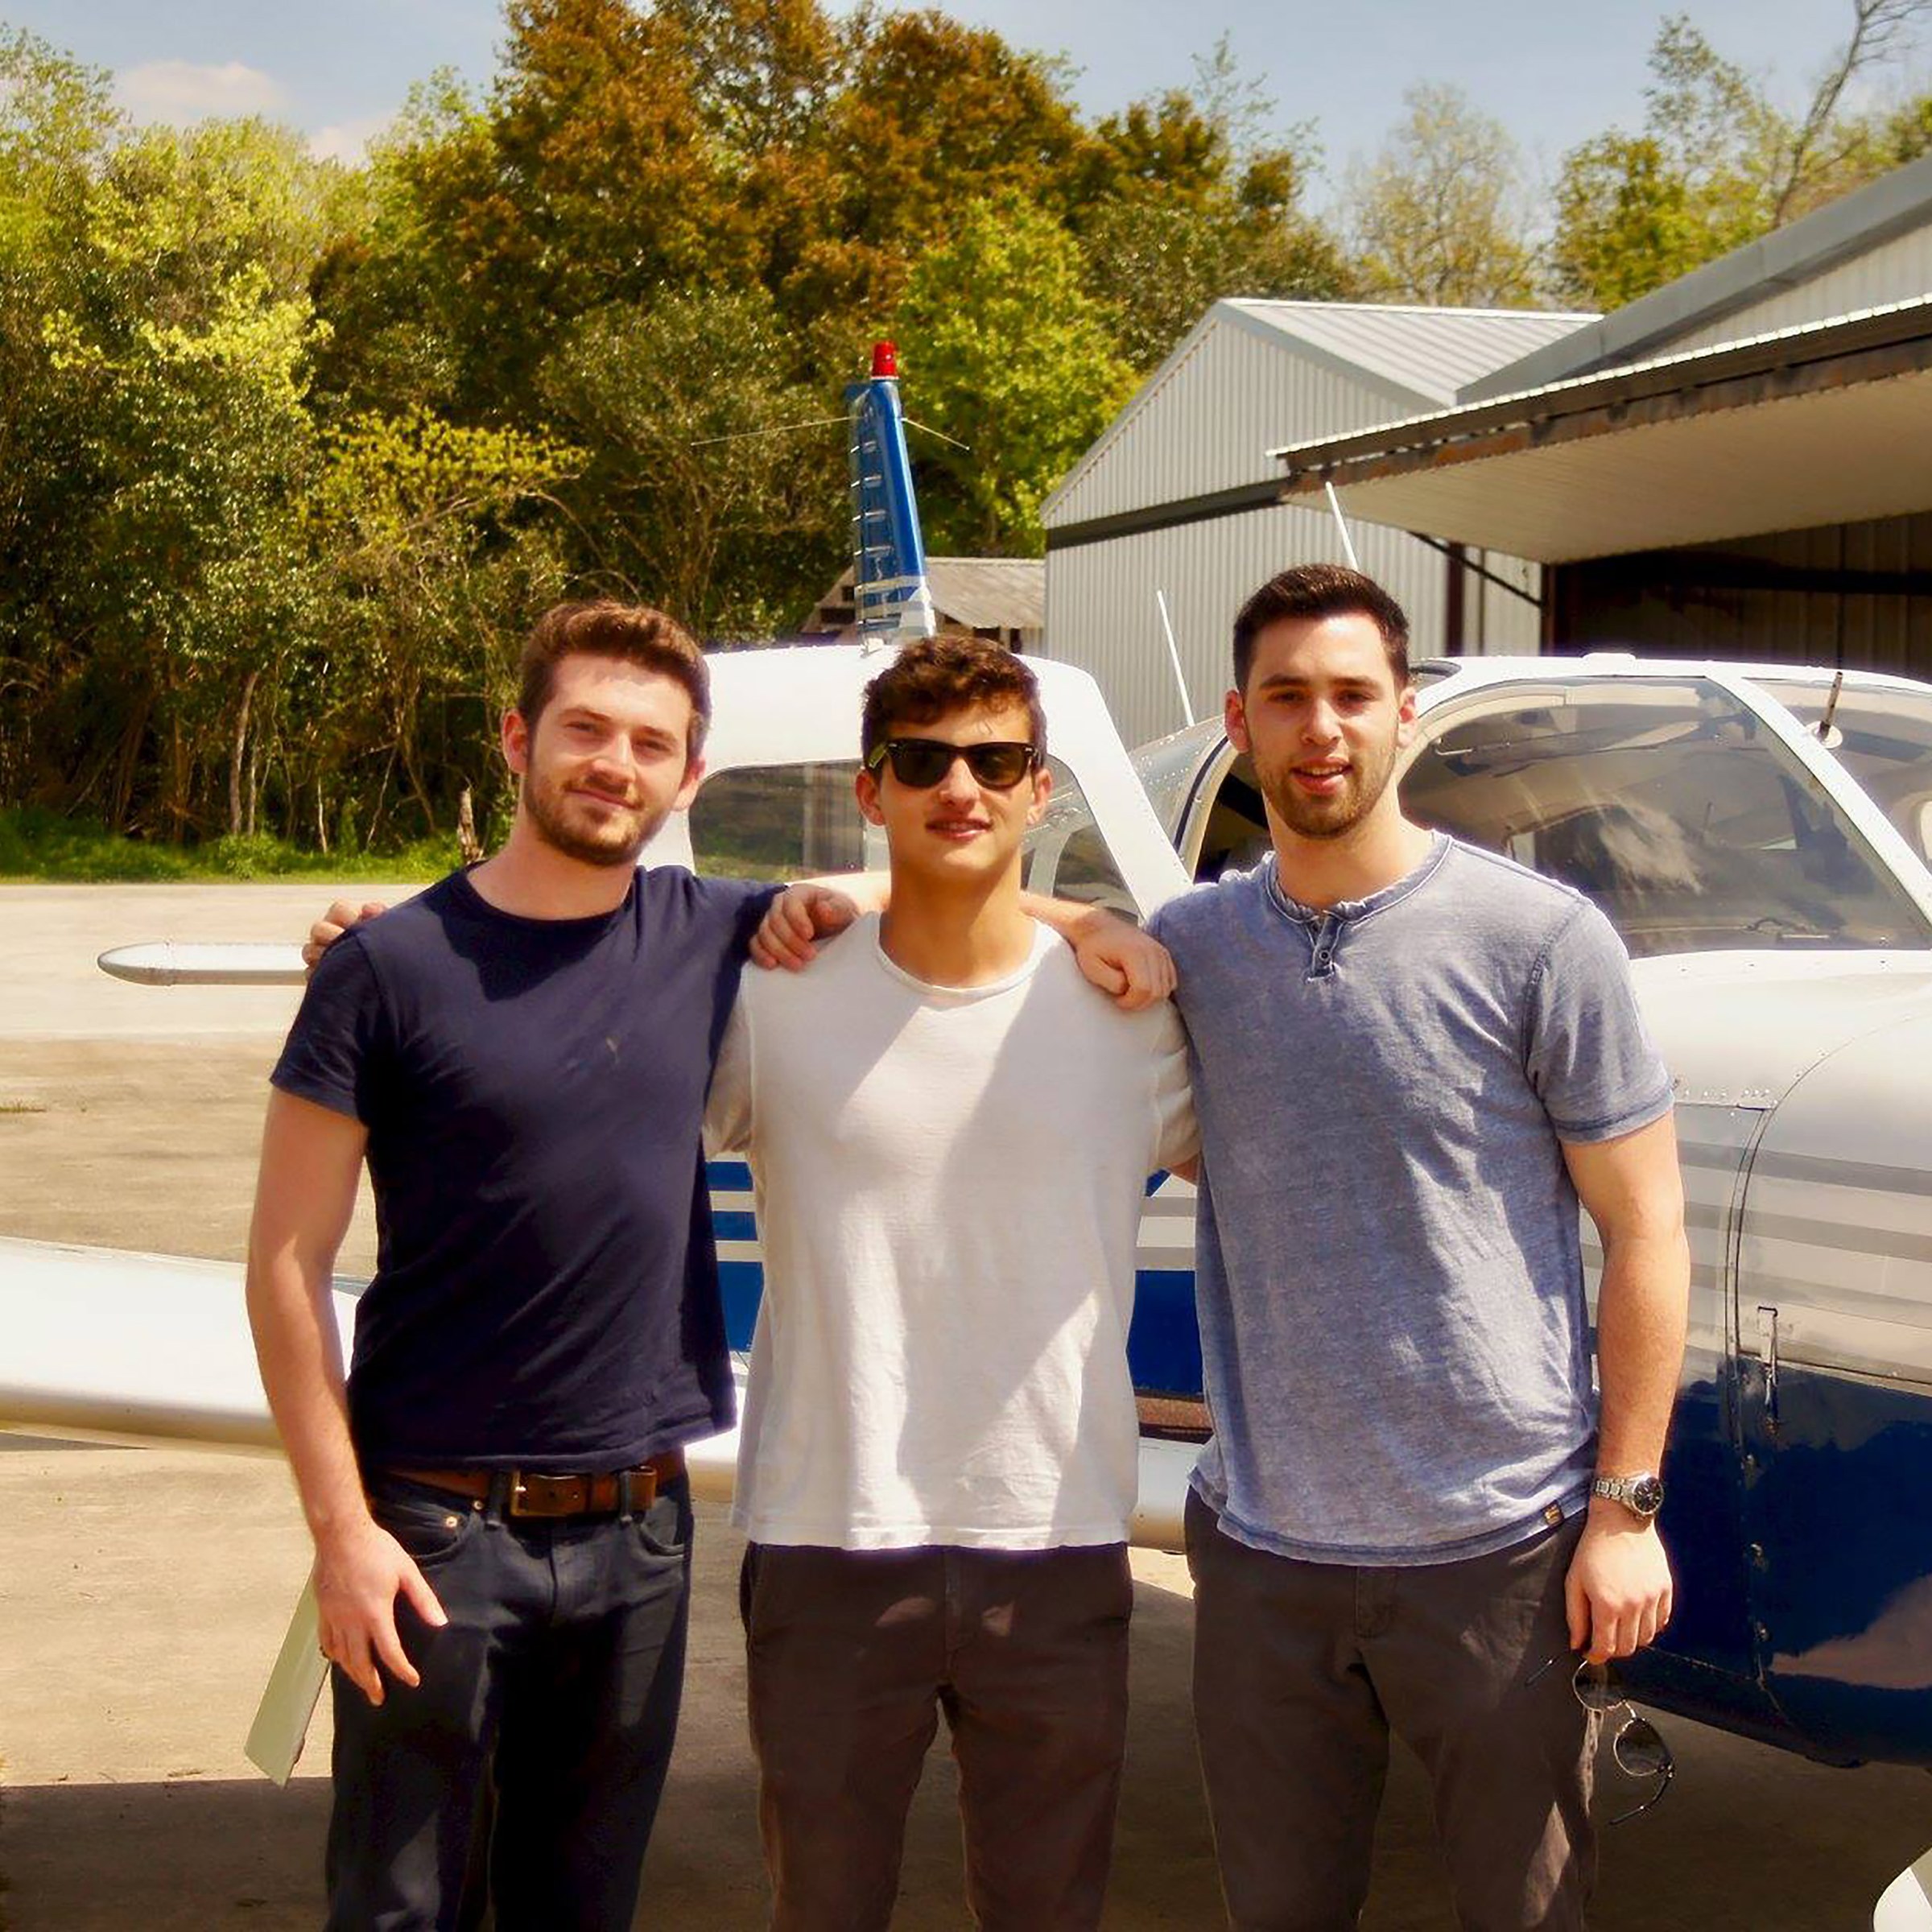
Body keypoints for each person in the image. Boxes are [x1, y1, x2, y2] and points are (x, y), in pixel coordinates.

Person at [268, 605, 1166, 1927]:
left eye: (648, 742)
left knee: (586, 1896)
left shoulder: (729, 941)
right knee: (404, 1902)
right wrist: (342, 1531)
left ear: (688, 777)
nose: (612, 763)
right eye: (583, 729)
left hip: (657, 1535)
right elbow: (286, 1262)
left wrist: (1081, 913)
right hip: (467, 1531)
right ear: (517, 740)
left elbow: (931, 876)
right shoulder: (428, 969)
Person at [1146, 565, 1688, 1930]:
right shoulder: (1189, 948)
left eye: (1349, 695)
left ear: (1402, 716)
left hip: (1499, 1554)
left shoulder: (1542, 940)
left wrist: (1624, 1511)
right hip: (1265, 1554)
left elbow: (1646, 1227)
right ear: (1241, 722)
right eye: (1286, 698)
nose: (1319, 727)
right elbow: (991, 943)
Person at [705, 636, 1196, 1931]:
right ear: (873, 794)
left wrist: (1089, 918)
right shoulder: (771, 994)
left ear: (1044, 790)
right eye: (922, 763)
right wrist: (379, 934)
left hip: (1059, 1542)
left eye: (996, 761)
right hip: (826, 1535)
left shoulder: (1134, 1014)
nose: (960, 789)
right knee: (824, 1909)